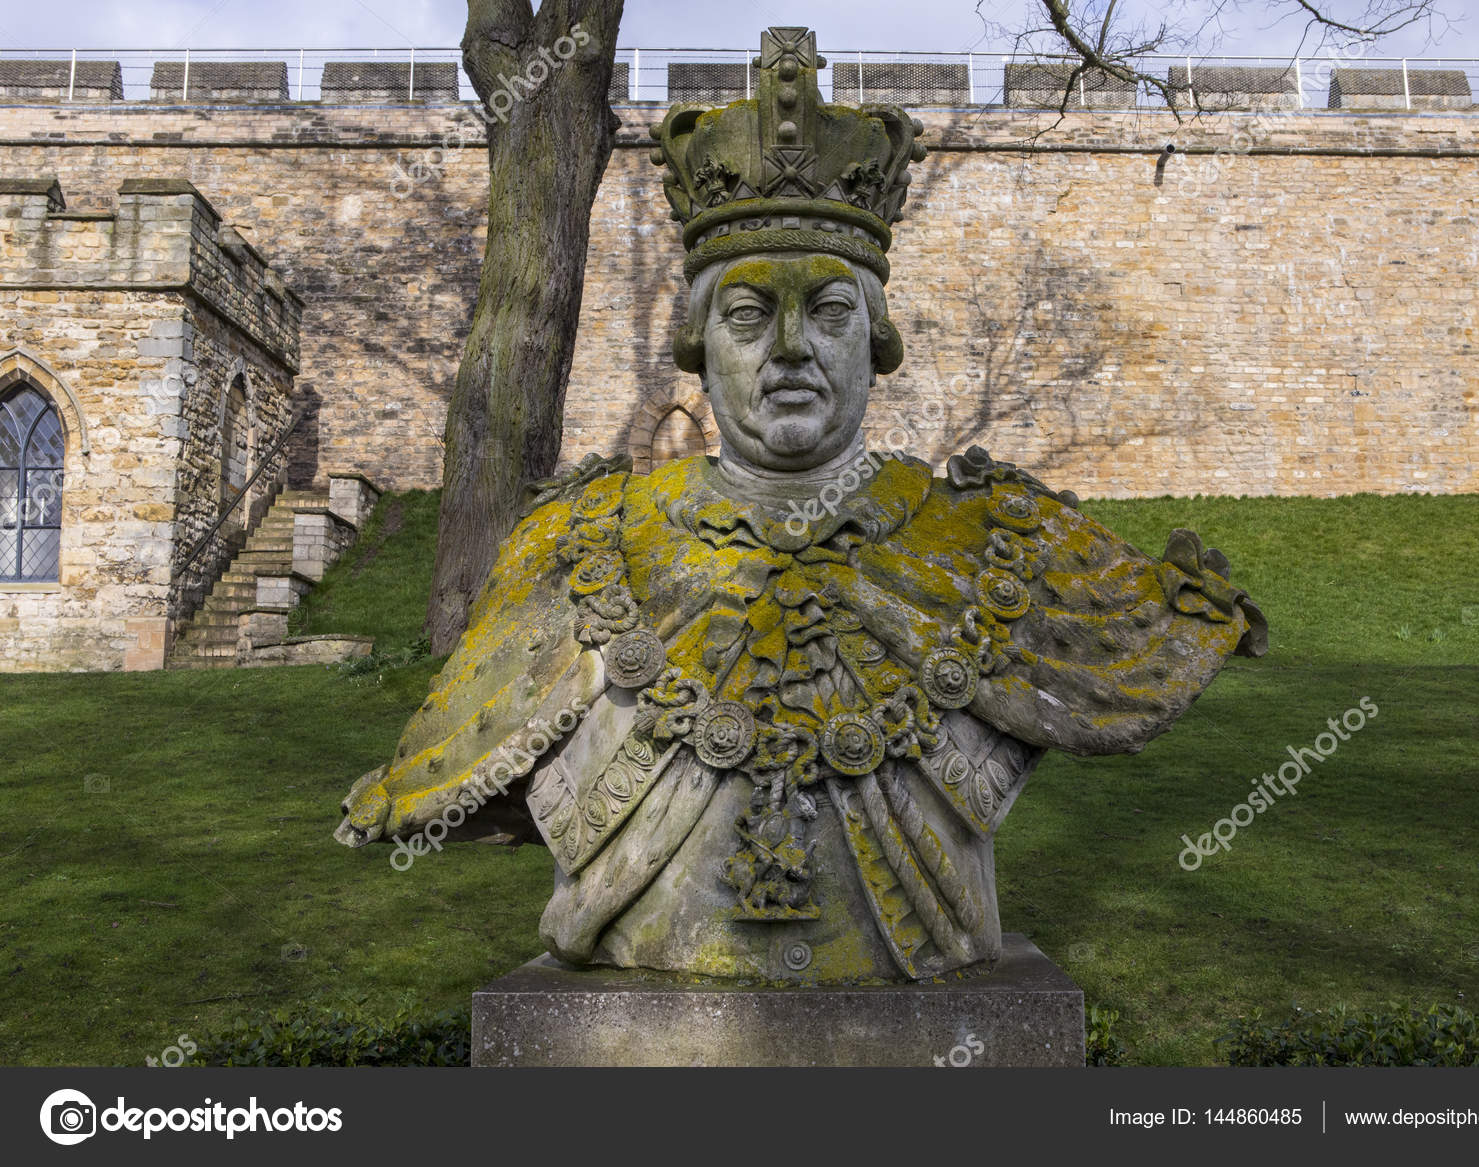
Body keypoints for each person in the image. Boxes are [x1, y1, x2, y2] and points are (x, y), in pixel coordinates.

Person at [336, 27, 1265, 983]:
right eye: (748, 314)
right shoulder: (578, 548)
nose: (789, 347)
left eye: (827, 313)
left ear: (877, 339)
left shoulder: (1003, 549)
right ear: (698, 340)